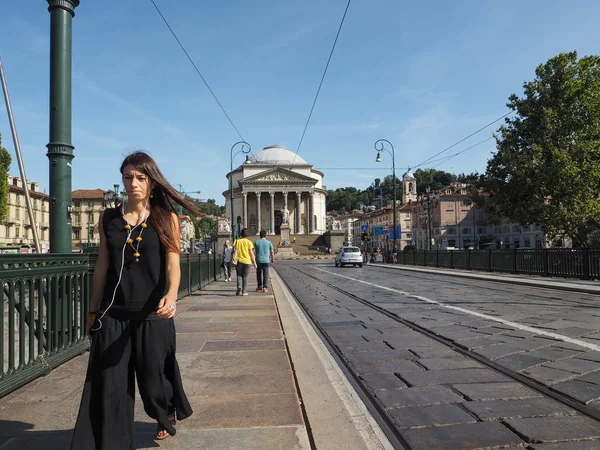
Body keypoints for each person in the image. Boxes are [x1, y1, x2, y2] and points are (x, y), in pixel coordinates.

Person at [71, 151, 195, 448]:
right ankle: (111, 441)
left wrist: (172, 295)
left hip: (153, 313)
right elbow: (102, 265)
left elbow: (173, 264)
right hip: (114, 313)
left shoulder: (168, 218)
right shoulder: (109, 218)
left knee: (155, 383)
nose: (134, 184)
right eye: (128, 177)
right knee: (110, 384)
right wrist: (92, 313)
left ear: (152, 182)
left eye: (141, 178)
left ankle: (165, 409)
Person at [233, 228, 256, 296]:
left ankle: (239, 286)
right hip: (247, 261)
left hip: (238, 261)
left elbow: (233, 251)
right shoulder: (249, 242)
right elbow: (251, 253)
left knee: (239, 275)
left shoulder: (236, 241)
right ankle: (244, 292)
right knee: (245, 276)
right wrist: (254, 262)